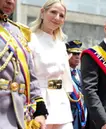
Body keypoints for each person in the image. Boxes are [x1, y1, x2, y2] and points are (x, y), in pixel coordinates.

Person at [0, 0, 48, 129]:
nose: (10, 1)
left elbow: (30, 74)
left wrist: (40, 109)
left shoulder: (19, 31)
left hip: (21, 114)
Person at [28, 0, 74, 128]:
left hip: (61, 103)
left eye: (61, 15)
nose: (57, 18)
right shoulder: (29, 39)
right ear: (42, 12)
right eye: (53, 12)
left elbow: (66, 79)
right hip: (38, 101)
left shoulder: (61, 44)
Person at [66, 40, 87, 129]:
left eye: (79, 54)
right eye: (74, 54)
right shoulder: (64, 74)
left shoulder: (81, 74)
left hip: (82, 117)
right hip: (70, 116)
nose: (77, 56)